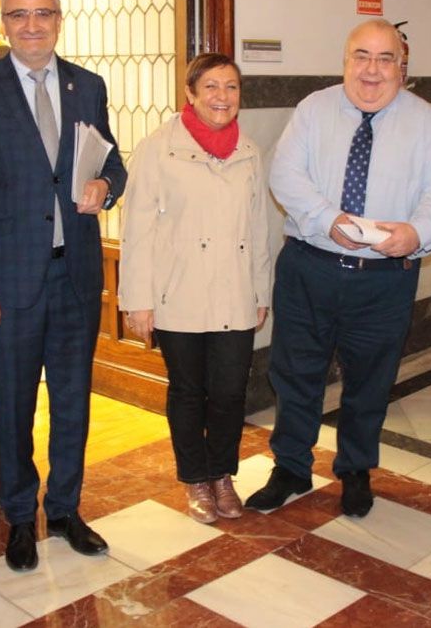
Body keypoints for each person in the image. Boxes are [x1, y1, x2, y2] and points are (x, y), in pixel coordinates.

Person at [246, 19, 431, 518]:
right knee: (295, 373)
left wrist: (416, 233)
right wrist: (328, 220)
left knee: (371, 380)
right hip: (310, 268)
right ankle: (291, 467)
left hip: (384, 280)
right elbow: (285, 173)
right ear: (345, 61)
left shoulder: (428, 124)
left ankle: (355, 469)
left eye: (385, 59)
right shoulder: (313, 110)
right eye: (361, 56)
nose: (372, 69)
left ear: (402, 68)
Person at [0, 0, 127, 572]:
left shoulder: (88, 86)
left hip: (74, 276)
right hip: (6, 285)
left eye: (42, 14)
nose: (31, 25)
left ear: (58, 19)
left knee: (74, 402)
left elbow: (112, 161)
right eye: (19, 15)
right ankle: (21, 518)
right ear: (4, 23)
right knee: (15, 408)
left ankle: (68, 509)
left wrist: (105, 187)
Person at [118, 53, 271, 524]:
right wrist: (136, 299)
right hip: (177, 291)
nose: (222, 97)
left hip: (234, 291)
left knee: (228, 391)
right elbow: (136, 228)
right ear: (190, 93)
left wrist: (261, 290)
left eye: (231, 87)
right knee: (188, 390)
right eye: (211, 87)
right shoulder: (157, 148)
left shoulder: (248, 149)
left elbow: (259, 225)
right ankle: (196, 479)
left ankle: (223, 474)